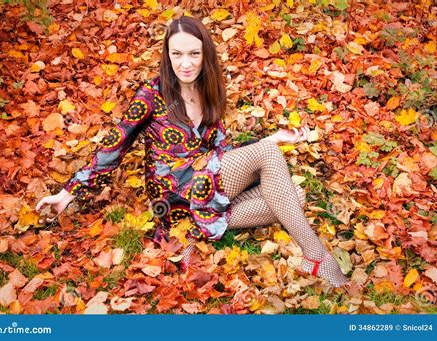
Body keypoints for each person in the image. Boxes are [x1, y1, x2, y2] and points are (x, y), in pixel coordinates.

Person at [36, 16, 358, 293]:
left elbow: (220, 152)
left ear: (205, 55)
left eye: (193, 53)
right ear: (167, 55)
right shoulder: (152, 94)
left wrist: (268, 139)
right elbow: (114, 144)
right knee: (272, 163)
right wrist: (68, 193)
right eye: (177, 54)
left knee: (293, 197)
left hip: (205, 183)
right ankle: (317, 258)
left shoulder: (208, 90)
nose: (185, 63)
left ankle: (195, 229)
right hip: (174, 194)